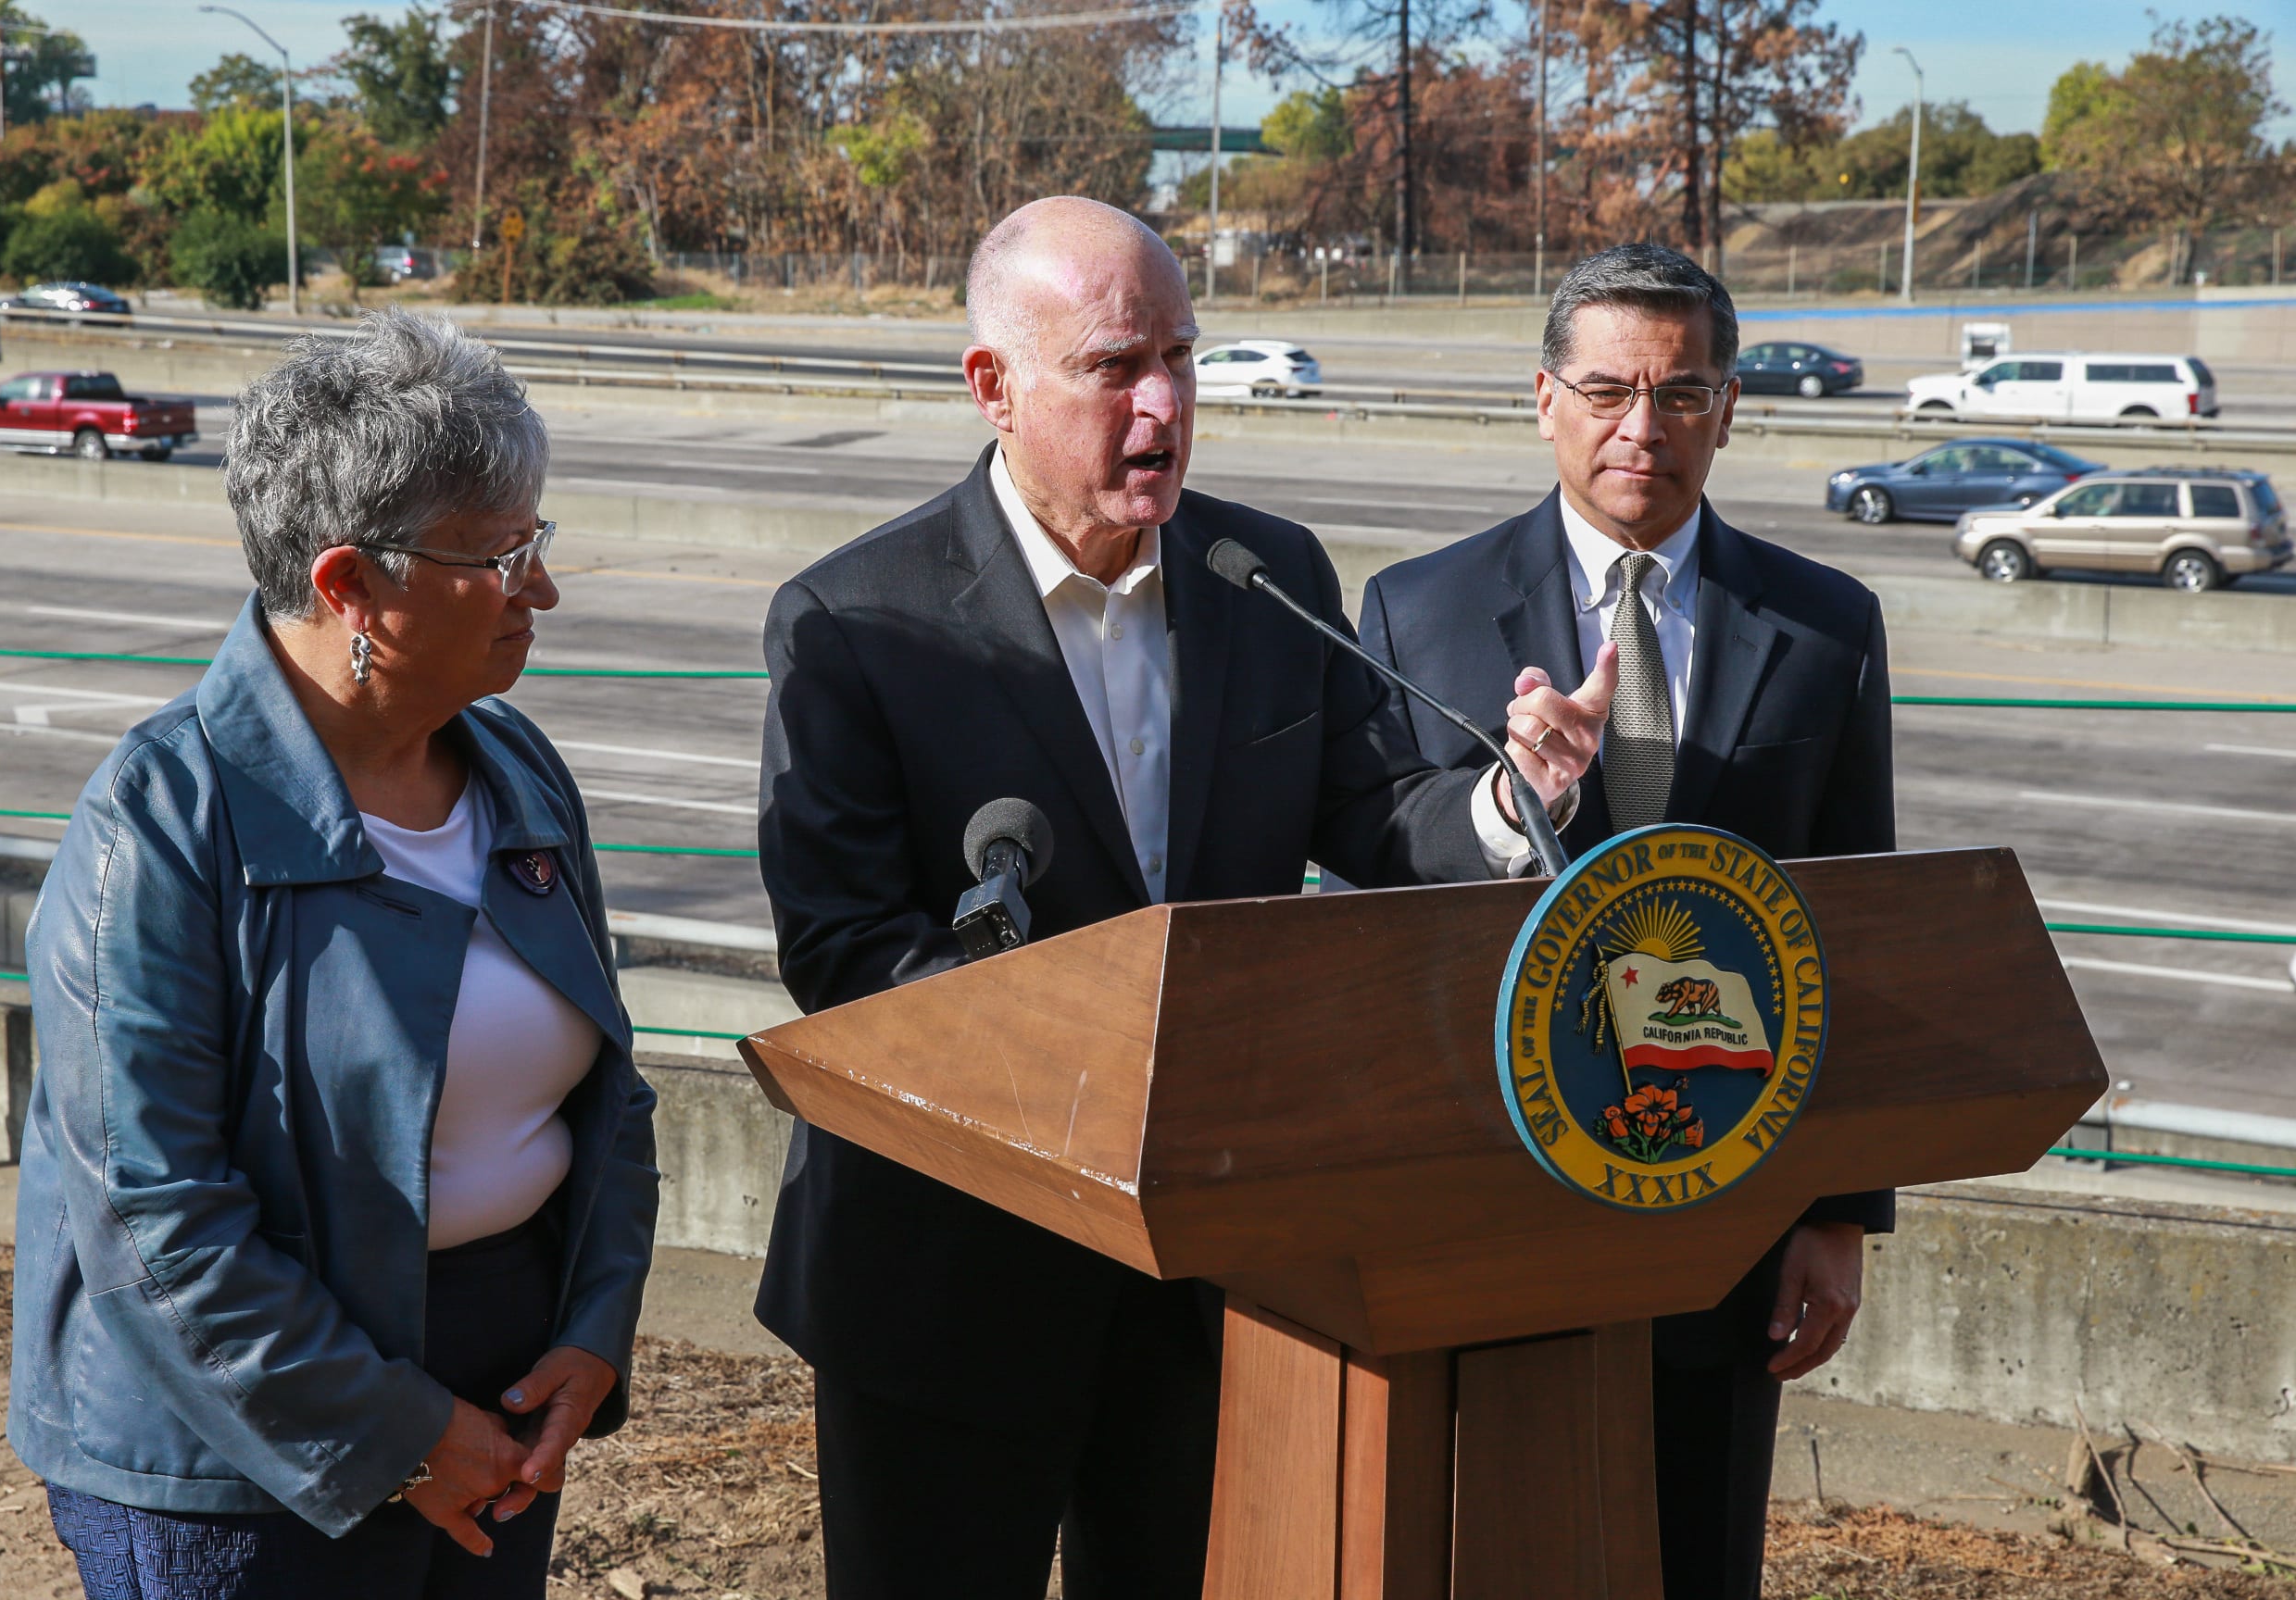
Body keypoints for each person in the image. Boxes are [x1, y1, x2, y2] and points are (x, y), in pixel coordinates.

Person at [752, 196, 1514, 1598]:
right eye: (1115, 366)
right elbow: (847, 952)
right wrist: (1088, 1066)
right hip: (947, 1280)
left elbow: (1369, 813)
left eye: (1181, 355)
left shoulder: (1265, 572)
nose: (1164, 401)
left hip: (1205, 1269)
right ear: (994, 388)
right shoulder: (856, 621)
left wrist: (1505, 802)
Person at [8, 309, 660, 1600]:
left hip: (503, 1401)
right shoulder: (160, 820)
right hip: (239, 1452)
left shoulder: (515, 768)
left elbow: (611, 1093)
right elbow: (158, 1221)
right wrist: (401, 1432)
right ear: (350, 583)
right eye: (500, 555)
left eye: (540, 541)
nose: (541, 587)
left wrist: (592, 1331)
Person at [1357, 242, 1896, 1600]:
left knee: (1697, 1548)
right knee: (1479, 1550)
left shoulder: (1827, 627)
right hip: (1493, 1192)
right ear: (1544, 398)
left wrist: (1839, 1213)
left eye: (1681, 394)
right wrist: (1508, 794)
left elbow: (1854, 917)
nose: (1639, 428)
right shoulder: (1418, 612)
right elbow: (1376, 887)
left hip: (1722, 1191)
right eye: (1606, 390)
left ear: (1730, 408)